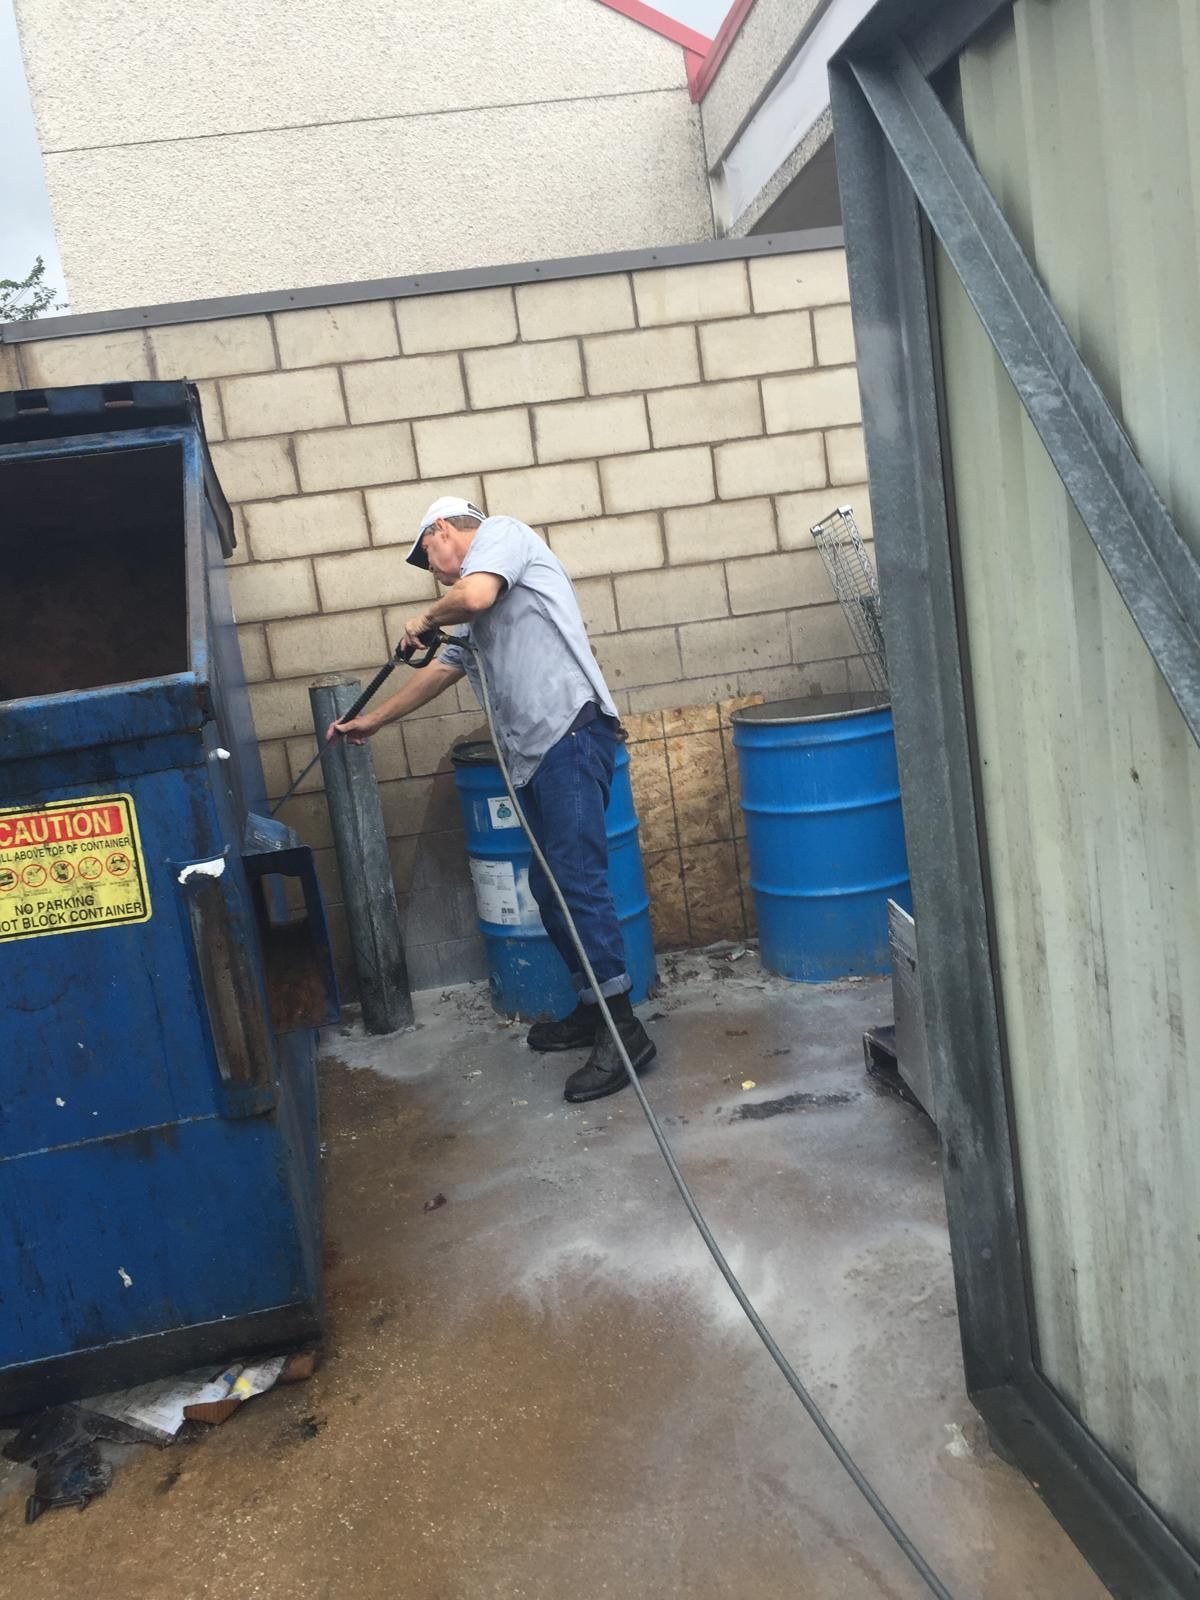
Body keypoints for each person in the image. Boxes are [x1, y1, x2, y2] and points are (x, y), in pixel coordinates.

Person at [328, 496, 655, 1103]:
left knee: (575, 881)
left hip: (571, 732)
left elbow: (471, 596)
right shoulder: (478, 610)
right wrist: (374, 720)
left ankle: (625, 1029)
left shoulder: (503, 537)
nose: (436, 572)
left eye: (429, 555)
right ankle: (593, 1007)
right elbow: (444, 667)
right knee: (550, 889)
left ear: (444, 530)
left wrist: (426, 616)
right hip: (534, 755)